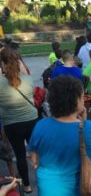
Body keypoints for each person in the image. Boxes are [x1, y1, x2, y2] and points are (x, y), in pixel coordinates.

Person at [28, 76, 91, 196]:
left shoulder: (40, 125)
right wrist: (84, 123)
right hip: (81, 189)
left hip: (48, 189)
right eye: (82, 96)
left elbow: (34, 159)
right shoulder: (90, 129)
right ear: (77, 100)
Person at [0, 48, 38, 193]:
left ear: (2, 64)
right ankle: (41, 177)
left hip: (12, 124)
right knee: (35, 150)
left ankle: (27, 186)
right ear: (18, 62)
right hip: (31, 120)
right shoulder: (28, 79)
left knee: (20, 154)